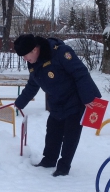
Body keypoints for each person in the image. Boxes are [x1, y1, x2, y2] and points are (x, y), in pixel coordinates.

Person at [13, 33, 101, 177]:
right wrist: (20, 102)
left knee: (70, 135)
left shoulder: (61, 53)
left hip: (75, 99)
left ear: (35, 49)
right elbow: (33, 84)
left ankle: (63, 167)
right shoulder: (33, 62)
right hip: (56, 102)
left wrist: (88, 98)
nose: (24, 59)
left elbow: (81, 73)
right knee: (53, 131)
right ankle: (48, 160)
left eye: (25, 55)